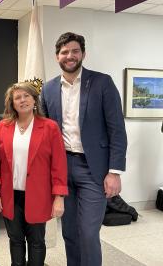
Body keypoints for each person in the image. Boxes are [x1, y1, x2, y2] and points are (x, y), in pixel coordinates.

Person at [41, 32, 127, 266]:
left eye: (75, 51)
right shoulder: (47, 90)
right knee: (69, 231)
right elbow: (45, 133)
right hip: (61, 168)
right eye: (65, 52)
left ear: (83, 54)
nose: (70, 56)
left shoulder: (102, 82)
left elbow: (117, 129)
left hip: (93, 170)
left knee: (88, 233)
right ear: (57, 56)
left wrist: (114, 171)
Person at [0, 80, 68, 266]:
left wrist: (59, 197)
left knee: (37, 242)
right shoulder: (2, 127)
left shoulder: (49, 127)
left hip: (39, 195)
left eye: (26, 96)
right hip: (10, 196)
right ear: (12, 103)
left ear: (34, 100)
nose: (22, 100)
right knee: (15, 240)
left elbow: (59, 165)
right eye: (17, 97)